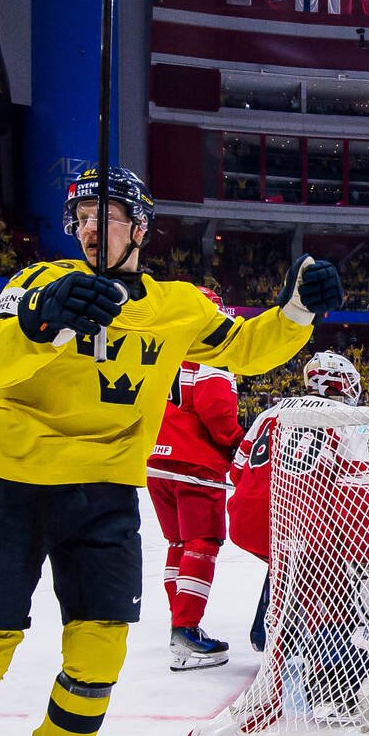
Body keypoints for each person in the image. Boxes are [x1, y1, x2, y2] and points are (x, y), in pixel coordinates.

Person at [0, 166, 338, 736]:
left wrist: (298, 313)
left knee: (99, 651)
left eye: (105, 216)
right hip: (9, 484)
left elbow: (245, 349)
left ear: (141, 227)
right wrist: (42, 321)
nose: (89, 229)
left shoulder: (178, 305)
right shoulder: (39, 281)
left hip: (102, 492)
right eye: (80, 218)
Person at [227, 351, 369, 730]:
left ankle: (272, 632)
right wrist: (364, 561)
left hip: (250, 519)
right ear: (341, 384)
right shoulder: (350, 419)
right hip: (307, 524)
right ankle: (333, 678)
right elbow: (360, 493)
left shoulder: (270, 412)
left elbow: (237, 470)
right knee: (333, 583)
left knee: (290, 563)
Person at [148, 286, 243, 671]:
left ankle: (179, 623)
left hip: (156, 462)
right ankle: (186, 629)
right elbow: (216, 410)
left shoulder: (158, 351)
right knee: (201, 543)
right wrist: (238, 446)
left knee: (178, 543)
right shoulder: (210, 354)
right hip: (195, 465)